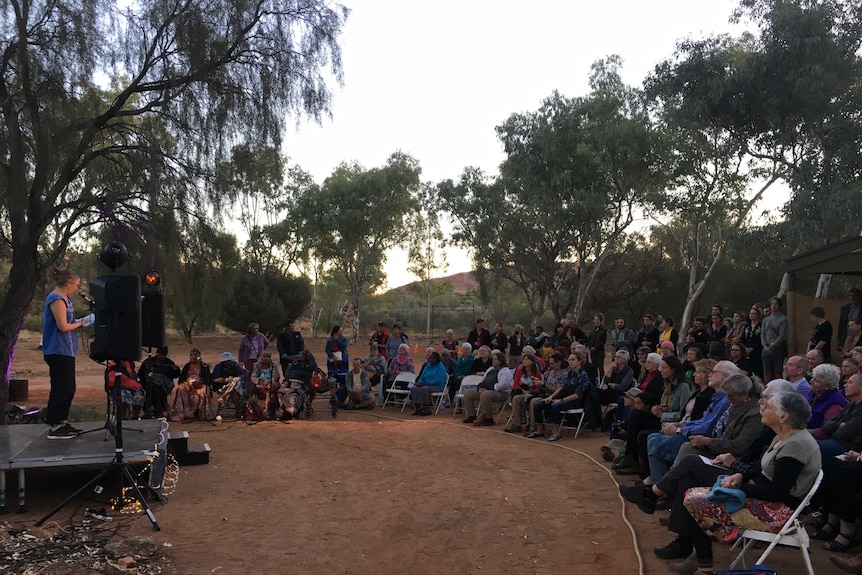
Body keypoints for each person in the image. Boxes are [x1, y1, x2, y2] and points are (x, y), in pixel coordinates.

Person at [674, 392, 820, 574]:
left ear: (784, 417)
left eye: (769, 407)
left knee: (693, 499)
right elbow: (762, 466)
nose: (763, 409)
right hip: (767, 499)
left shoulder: (795, 446)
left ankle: (703, 566)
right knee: (691, 491)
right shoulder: (784, 435)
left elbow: (777, 491)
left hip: (779, 511)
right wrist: (741, 477)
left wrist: (739, 487)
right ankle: (701, 562)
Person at [42, 268, 93, 439]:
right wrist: (81, 323)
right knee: (60, 387)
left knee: (69, 388)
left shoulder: (67, 299)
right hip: (57, 349)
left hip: (67, 350)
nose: (76, 288)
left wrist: (86, 321)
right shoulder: (56, 299)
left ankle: (63, 421)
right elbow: (63, 326)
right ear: (68, 283)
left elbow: (70, 322)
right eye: (76, 285)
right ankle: (54, 425)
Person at [527, 350, 591, 441]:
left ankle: (556, 433)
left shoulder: (583, 375)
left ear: (579, 361)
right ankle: (539, 431)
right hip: (564, 398)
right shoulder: (570, 373)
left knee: (556, 405)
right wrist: (551, 397)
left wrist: (561, 400)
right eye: (569, 360)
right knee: (539, 405)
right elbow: (562, 387)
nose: (570, 362)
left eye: (573, 359)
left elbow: (578, 395)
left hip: (575, 401)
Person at [611, 388, 661, 475]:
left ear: (647, 406)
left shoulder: (640, 415)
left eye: (638, 404)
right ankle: (626, 457)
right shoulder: (635, 414)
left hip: (664, 421)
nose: (635, 406)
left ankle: (629, 458)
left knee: (638, 426)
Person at [813, 372, 862, 457]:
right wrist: (840, 424)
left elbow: (844, 433)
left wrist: (834, 428)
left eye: (850, 382)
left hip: (846, 448)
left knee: (805, 445)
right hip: (834, 441)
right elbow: (825, 426)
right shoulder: (851, 404)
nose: (845, 385)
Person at [461, 351, 506, 426]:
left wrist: (488, 390)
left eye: (495, 359)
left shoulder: (505, 371)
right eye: (493, 359)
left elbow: (502, 385)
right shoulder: (490, 369)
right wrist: (480, 388)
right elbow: (483, 380)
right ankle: (471, 415)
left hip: (499, 392)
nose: (493, 361)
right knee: (468, 393)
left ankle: (489, 418)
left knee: (486, 395)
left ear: (500, 361)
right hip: (485, 391)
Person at [171, 348, 215, 422]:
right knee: (180, 389)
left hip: (200, 384)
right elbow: (181, 379)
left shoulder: (204, 366)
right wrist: (186, 384)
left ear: (199, 356)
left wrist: (200, 383)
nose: (192, 357)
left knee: (203, 390)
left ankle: (200, 413)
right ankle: (184, 413)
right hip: (188, 384)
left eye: (195, 355)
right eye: (191, 355)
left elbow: (207, 379)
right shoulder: (187, 366)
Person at [137, 346, 181, 418]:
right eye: (160, 354)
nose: (161, 356)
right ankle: (154, 407)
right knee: (153, 386)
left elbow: (176, 374)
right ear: (157, 354)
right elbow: (141, 374)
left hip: (165, 383)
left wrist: (175, 369)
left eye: (163, 355)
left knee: (157, 385)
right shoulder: (148, 362)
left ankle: (158, 408)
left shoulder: (169, 363)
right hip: (149, 383)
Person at [506, 351, 543, 433]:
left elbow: (538, 387)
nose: (524, 361)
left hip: (532, 393)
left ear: (532, 362)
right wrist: (523, 391)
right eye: (523, 359)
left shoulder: (536, 373)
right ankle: (517, 424)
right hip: (521, 391)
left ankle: (533, 427)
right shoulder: (520, 370)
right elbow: (515, 384)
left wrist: (530, 392)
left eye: (527, 360)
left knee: (532, 401)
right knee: (516, 398)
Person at [808, 363, 847, 432]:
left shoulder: (834, 404)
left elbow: (827, 431)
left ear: (827, 386)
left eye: (816, 380)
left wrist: (807, 432)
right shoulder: (814, 393)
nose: (811, 381)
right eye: (812, 378)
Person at [211, 351, 247, 419]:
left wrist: (233, 379)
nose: (227, 363)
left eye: (228, 361)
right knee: (233, 390)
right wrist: (217, 380)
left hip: (236, 386)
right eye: (225, 361)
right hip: (222, 386)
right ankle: (238, 411)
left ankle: (224, 397)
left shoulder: (236, 366)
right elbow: (212, 379)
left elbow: (243, 376)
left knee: (235, 382)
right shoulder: (218, 367)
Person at [409, 351, 448, 415]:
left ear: (437, 359)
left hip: (437, 386)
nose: (431, 359)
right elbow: (422, 377)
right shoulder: (427, 366)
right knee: (413, 388)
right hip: (426, 385)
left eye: (433, 358)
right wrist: (419, 383)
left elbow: (439, 380)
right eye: (430, 358)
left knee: (424, 389)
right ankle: (417, 408)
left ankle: (427, 408)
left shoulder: (441, 367)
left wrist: (426, 383)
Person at [761, 297, 788, 383]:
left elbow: (782, 335)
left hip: (777, 348)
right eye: (772, 304)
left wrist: (773, 346)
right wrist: (765, 346)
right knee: (766, 371)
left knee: (777, 371)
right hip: (766, 347)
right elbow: (763, 333)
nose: (773, 306)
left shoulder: (783, 319)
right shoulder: (765, 320)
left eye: (775, 304)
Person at [251, 348, 282, 419]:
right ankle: (270, 409)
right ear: (261, 357)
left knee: (272, 387)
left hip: (271, 383)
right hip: (261, 384)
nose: (266, 358)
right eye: (264, 356)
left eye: (268, 357)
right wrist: (261, 382)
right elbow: (253, 377)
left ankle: (269, 407)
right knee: (271, 393)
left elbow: (276, 376)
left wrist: (268, 383)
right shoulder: (257, 365)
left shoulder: (273, 365)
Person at [838, 288, 862, 353]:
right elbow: (841, 324)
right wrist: (840, 340)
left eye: (854, 296)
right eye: (850, 295)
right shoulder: (845, 308)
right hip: (847, 337)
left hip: (859, 337)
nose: (852, 298)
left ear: (859, 296)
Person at [742, 306, 764, 378]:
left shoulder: (761, 326)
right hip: (746, 350)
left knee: (757, 370)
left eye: (754, 313)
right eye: (750, 313)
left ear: (758, 315)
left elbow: (762, 339)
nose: (751, 315)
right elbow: (743, 338)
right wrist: (744, 347)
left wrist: (753, 348)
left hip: (757, 351)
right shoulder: (747, 326)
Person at [588, 314, 608, 380]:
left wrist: (596, 347)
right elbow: (590, 339)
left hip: (600, 351)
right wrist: (590, 347)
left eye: (597, 320)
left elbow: (603, 341)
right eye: (594, 320)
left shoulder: (603, 330)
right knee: (594, 367)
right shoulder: (592, 330)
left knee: (600, 367)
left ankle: (602, 381)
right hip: (592, 351)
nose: (595, 321)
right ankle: (595, 380)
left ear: (601, 321)